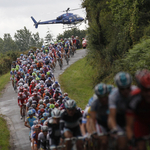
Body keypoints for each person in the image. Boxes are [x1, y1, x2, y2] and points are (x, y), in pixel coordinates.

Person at [108, 72, 137, 150]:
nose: (125, 91)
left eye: (128, 87)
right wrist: (114, 129)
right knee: (122, 146)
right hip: (119, 120)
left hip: (134, 118)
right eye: (122, 89)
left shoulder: (136, 92)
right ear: (118, 87)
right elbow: (112, 117)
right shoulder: (113, 96)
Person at [126, 69, 150, 150]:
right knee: (140, 146)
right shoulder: (133, 98)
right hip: (140, 121)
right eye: (146, 90)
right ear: (140, 88)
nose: (148, 94)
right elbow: (129, 125)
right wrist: (132, 140)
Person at [89, 83, 110, 150]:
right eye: (101, 97)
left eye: (105, 96)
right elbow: (92, 120)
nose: (103, 99)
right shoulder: (94, 104)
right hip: (101, 124)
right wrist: (94, 131)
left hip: (113, 122)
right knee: (103, 142)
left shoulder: (113, 100)